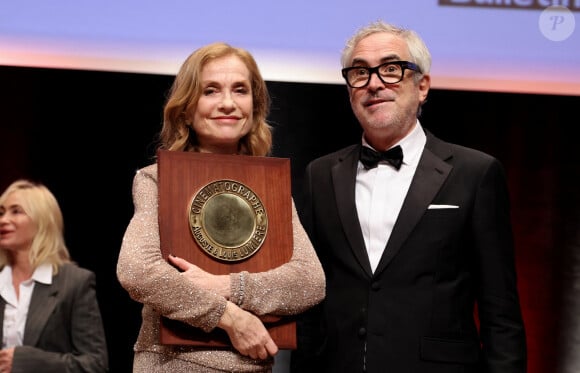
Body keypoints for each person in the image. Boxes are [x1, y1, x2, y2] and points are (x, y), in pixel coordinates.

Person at [290, 20, 527, 373]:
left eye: (391, 69)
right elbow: (309, 298)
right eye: (360, 72)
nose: (374, 83)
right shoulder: (319, 174)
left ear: (422, 86)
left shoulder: (475, 173)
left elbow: (501, 312)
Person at [116, 42, 326, 373]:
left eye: (240, 90)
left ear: (255, 107)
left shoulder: (270, 188)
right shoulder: (156, 180)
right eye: (210, 91)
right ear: (186, 107)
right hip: (174, 365)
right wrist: (229, 317)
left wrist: (228, 287)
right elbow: (138, 271)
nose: (227, 103)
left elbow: (309, 282)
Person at [0, 179, 109, 373]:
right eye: (2, 212)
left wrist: (30, 362)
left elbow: (94, 365)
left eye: (16, 211)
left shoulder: (74, 283)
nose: (3, 220)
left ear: (42, 220)